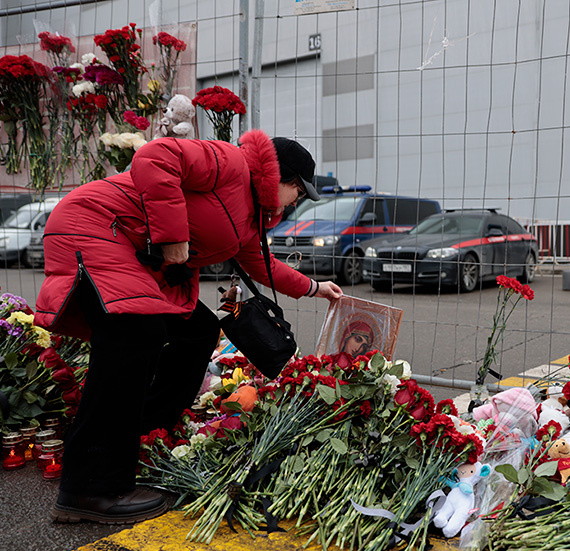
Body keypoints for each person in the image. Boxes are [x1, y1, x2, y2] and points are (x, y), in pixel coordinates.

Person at [34, 131, 342, 524]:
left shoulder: (249, 218)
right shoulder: (229, 163)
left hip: (128, 250)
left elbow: (263, 266)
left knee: (197, 331)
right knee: (132, 340)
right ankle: (90, 487)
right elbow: (155, 156)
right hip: (97, 227)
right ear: (281, 177)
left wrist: (315, 287)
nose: (297, 201)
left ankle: (143, 436)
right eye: (298, 190)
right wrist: (173, 237)